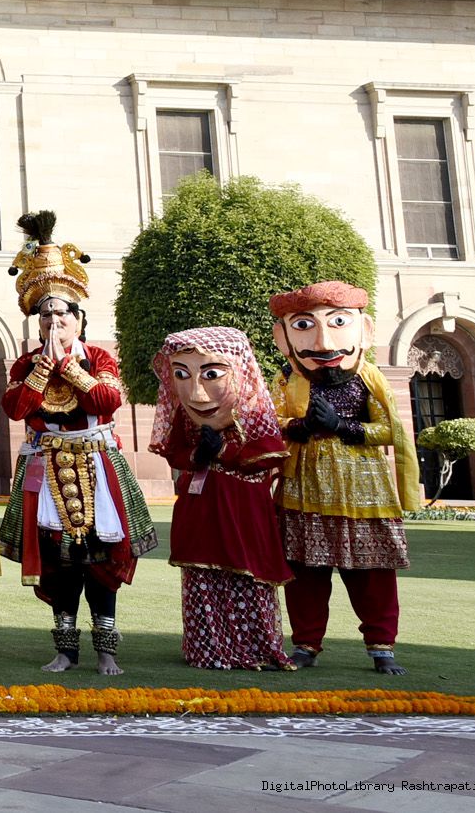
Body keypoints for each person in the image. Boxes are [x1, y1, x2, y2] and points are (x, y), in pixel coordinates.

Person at [0, 211, 156, 676]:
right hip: (46, 464)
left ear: (79, 319)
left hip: (96, 463)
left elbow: (107, 399)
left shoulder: (99, 357)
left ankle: (107, 649)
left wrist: (68, 367)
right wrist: (44, 368)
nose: (52, 320)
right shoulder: (26, 364)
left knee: (100, 555)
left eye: (61, 313)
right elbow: (16, 408)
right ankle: (65, 650)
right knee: (59, 558)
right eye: (44, 314)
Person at [270, 281, 419, 674]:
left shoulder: (368, 376)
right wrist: (300, 426)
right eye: (304, 326)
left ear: (363, 330)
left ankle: (381, 646)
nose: (323, 341)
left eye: (338, 322)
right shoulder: (286, 379)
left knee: (372, 571)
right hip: (304, 487)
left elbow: (390, 430)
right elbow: (272, 423)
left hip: (364, 489)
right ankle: (305, 644)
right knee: (304, 570)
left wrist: (342, 426)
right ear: (283, 338)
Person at [150, 326, 294, 670]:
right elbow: (175, 451)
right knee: (202, 576)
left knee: (249, 575)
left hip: (243, 508)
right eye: (181, 375)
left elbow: (269, 453)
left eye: (211, 374)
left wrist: (224, 451)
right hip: (201, 505)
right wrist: (198, 454)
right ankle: (208, 647)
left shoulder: (255, 411)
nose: (196, 392)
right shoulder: (184, 418)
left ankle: (253, 647)